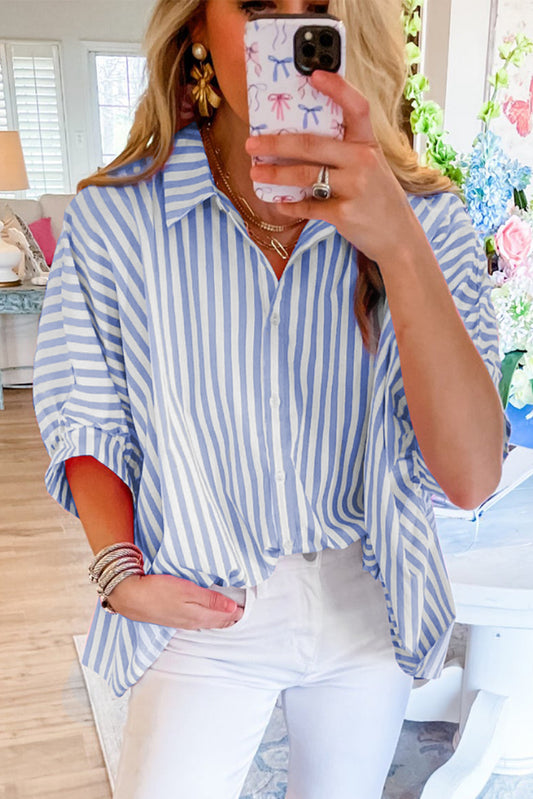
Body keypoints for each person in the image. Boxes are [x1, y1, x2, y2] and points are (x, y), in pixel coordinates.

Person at [33, 1, 508, 797]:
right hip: (200, 592)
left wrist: (395, 240)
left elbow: (468, 477)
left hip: (370, 600)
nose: (287, 30)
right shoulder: (118, 217)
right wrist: (119, 572)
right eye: (257, 7)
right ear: (195, 27)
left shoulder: (426, 218)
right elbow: (88, 404)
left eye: (316, 9)